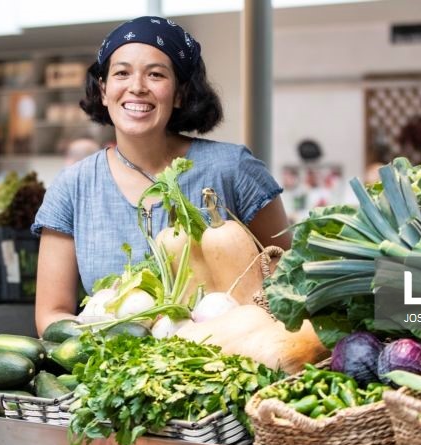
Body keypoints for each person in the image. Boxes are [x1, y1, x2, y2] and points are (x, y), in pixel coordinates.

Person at [31, 16, 292, 335]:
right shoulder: (73, 186)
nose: (137, 87)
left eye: (155, 74)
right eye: (122, 73)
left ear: (180, 93)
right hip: (110, 373)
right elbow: (52, 313)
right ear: (103, 89)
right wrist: (102, 350)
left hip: (229, 367)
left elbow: (287, 278)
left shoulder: (233, 169)